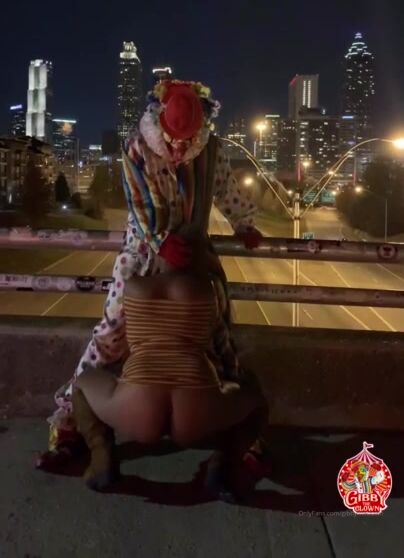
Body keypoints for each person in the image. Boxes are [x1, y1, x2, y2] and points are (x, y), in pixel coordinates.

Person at [36, 79, 263, 469]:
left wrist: (244, 223)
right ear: (161, 122)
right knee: (111, 331)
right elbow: (138, 199)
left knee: (220, 327)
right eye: (172, 140)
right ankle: (69, 421)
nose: (178, 149)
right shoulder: (137, 147)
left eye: (186, 142)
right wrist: (159, 239)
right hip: (141, 251)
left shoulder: (212, 149)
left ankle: (241, 427)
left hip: (193, 249)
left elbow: (225, 189)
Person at [72, 224, 268, 501]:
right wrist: (234, 381)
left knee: (82, 383)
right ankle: (223, 465)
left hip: (137, 407)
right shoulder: (207, 291)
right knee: (255, 399)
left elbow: (117, 334)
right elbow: (223, 345)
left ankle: (102, 457)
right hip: (196, 412)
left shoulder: (134, 287)